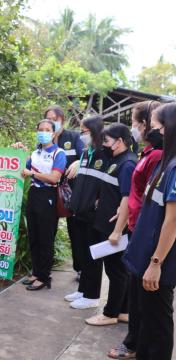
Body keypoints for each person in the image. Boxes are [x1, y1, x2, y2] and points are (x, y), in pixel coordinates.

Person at [108, 101, 163, 359]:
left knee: (148, 300)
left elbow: (153, 201)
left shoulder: (157, 158)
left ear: (146, 123)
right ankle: (133, 342)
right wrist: (125, 210)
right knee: (136, 292)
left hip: (145, 234)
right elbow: (137, 194)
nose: (133, 126)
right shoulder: (147, 153)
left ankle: (136, 344)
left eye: (134, 120)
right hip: (136, 230)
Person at [123, 103, 176, 360]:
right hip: (145, 253)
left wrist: (156, 262)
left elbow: (173, 221)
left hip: (157, 259)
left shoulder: (175, 167)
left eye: (155, 128)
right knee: (146, 317)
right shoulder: (164, 162)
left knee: (157, 323)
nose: (150, 133)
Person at [83, 123, 137, 326]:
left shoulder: (127, 164)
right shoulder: (116, 159)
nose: (103, 144)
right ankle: (124, 310)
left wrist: (116, 231)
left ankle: (110, 313)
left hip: (114, 228)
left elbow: (126, 199)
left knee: (116, 272)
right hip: (105, 223)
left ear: (119, 141)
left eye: (106, 141)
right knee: (117, 271)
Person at [16, 119, 67, 290]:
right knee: (34, 237)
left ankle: (44, 277)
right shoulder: (35, 153)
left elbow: (54, 177)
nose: (43, 132)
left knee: (45, 238)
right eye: (40, 129)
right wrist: (19, 152)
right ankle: (36, 272)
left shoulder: (59, 153)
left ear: (53, 133)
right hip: (34, 195)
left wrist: (32, 174)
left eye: (47, 130)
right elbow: (22, 168)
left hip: (48, 196)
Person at [65, 115, 108, 309]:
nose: (82, 135)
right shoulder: (86, 152)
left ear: (95, 132)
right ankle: (83, 290)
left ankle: (92, 296)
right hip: (80, 209)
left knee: (92, 255)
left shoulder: (104, 153)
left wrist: (97, 202)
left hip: (94, 212)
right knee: (82, 252)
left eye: (84, 132)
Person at [45, 105, 84, 278]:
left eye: (55, 119)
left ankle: (80, 268)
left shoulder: (74, 137)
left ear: (63, 120)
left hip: (72, 193)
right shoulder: (44, 141)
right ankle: (44, 268)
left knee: (75, 231)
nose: (52, 122)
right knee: (47, 231)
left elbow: (89, 153)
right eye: (49, 119)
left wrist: (79, 161)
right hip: (49, 192)